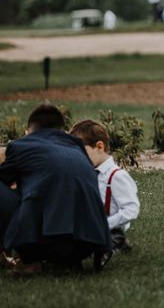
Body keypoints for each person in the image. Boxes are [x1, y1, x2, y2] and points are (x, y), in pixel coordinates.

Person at [0, 104, 111, 274]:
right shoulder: (77, 147)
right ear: (62, 130)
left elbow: (4, 181)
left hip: (50, 241)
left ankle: (30, 261)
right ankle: (66, 262)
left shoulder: (21, 146)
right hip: (89, 242)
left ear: (29, 130)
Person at [70, 119, 140, 253]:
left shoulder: (117, 176)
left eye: (81, 153)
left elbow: (131, 209)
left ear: (100, 147)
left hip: (109, 228)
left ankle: (114, 244)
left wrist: (104, 225)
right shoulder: (86, 173)